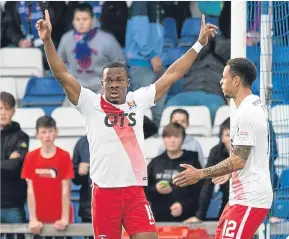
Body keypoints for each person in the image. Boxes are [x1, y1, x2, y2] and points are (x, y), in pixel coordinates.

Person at [36, 10, 218, 239]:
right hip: (104, 195)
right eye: (109, 80)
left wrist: (199, 45)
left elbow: (173, 74)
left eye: (119, 80)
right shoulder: (89, 102)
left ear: (127, 82)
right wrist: (48, 42)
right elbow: (62, 74)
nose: (114, 84)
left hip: (134, 192)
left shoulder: (138, 100)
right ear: (101, 83)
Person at [173, 58, 273, 239]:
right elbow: (248, 154)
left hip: (249, 197)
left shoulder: (247, 113)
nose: (220, 81)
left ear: (236, 80)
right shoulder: (255, 104)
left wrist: (200, 174)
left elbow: (239, 160)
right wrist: (230, 171)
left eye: (224, 77)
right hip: (240, 195)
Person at [21, 116, 74, 235]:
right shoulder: (30, 157)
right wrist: (33, 218)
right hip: (39, 221)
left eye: (50, 131)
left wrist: (64, 218)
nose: (47, 136)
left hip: (60, 221)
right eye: (43, 132)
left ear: (56, 132)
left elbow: (66, 188)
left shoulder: (64, 156)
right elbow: (30, 190)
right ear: (37, 134)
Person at [58, 3, 125, 93]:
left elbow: (120, 63)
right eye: (77, 19)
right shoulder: (66, 39)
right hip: (76, 88)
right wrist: (68, 79)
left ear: (93, 20)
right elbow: (58, 63)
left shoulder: (107, 39)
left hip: (102, 88)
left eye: (85, 19)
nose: (81, 22)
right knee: (64, 108)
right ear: (73, 21)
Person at [145, 123, 202, 222]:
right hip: (159, 221)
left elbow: (200, 192)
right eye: (168, 136)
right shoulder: (155, 162)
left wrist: (184, 207)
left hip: (186, 221)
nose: (172, 140)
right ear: (163, 139)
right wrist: (156, 190)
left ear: (183, 139)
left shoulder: (192, 161)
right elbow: (142, 190)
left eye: (176, 136)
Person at [184, 117, 230, 223]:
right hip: (228, 200)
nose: (232, 139)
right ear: (222, 138)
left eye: (235, 135)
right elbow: (208, 184)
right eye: (228, 135)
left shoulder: (248, 150)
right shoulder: (216, 152)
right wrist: (200, 216)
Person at [0, 92, 29, 233]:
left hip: (13, 205)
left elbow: (15, 166)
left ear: (13, 111)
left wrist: (10, 162)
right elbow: (9, 164)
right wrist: (7, 161)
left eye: (7, 108)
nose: (3, 113)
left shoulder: (21, 136)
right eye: (0, 109)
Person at [72, 135, 92, 223]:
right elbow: (76, 180)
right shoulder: (83, 143)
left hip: (114, 209)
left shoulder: (116, 142)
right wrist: (80, 173)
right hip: (88, 210)